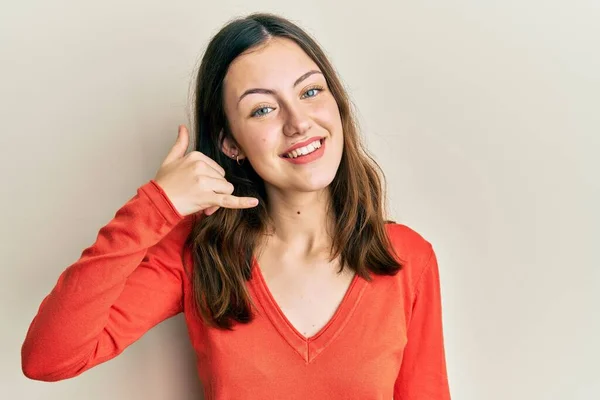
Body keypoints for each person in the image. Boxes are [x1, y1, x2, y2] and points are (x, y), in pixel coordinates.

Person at [21, 12, 450, 399]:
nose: (298, 122)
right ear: (231, 143)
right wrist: (157, 205)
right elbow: (50, 358)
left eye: (311, 91)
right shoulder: (200, 256)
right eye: (263, 109)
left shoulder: (406, 258)